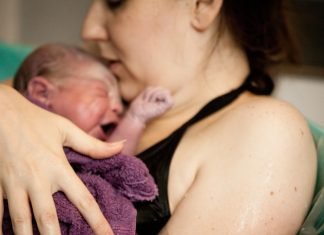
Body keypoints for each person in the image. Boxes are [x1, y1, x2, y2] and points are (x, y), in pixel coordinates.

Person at [0, 0, 317, 234]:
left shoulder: (263, 134)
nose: (89, 29)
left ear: (203, 5)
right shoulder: (87, 83)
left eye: (115, 2)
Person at [12, 43, 173, 156]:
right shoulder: (13, 134)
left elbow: (115, 161)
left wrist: (135, 118)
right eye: (104, 92)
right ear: (43, 94)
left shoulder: (89, 154)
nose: (118, 108)